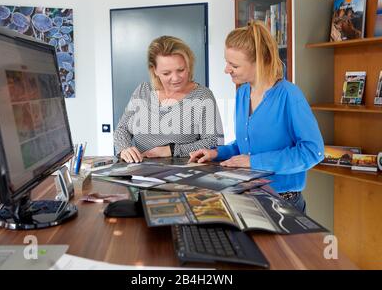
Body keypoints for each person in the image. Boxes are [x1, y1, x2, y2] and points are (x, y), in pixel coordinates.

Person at [188, 20, 324, 213]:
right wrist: (218, 153)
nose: (226, 69)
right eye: (227, 62)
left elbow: (313, 151)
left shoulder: (289, 95)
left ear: (259, 62)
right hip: (248, 197)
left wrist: (254, 162)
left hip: (283, 203)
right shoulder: (243, 93)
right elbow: (246, 146)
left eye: (234, 64)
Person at [114, 35, 224, 163]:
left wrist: (172, 150)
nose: (176, 78)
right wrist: (125, 149)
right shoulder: (143, 91)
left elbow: (214, 142)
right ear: (154, 70)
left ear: (189, 65)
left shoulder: (202, 96)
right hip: (142, 174)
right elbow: (122, 129)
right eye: (167, 73)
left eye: (181, 70)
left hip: (184, 176)